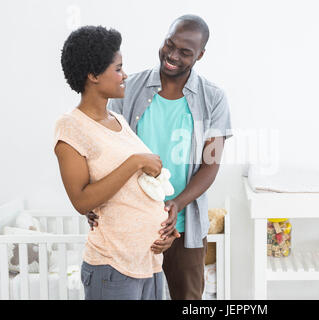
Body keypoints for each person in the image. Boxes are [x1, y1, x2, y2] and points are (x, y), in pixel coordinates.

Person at [88, 14, 233, 299]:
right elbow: (104, 151)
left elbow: (210, 165)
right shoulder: (127, 89)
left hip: (184, 226)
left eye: (185, 52)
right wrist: (94, 198)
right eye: (169, 44)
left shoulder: (213, 98)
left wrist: (176, 203)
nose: (172, 56)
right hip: (130, 223)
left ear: (200, 55)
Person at [54, 25, 180, 300]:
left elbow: (135, 190)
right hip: (112, 268)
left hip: (148, 264)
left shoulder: (118, 120)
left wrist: (165, 225)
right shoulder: (71, 126)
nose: (125, 75)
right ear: (93, 75)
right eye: (118, 68)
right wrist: (135, 162)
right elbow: (81, 201)